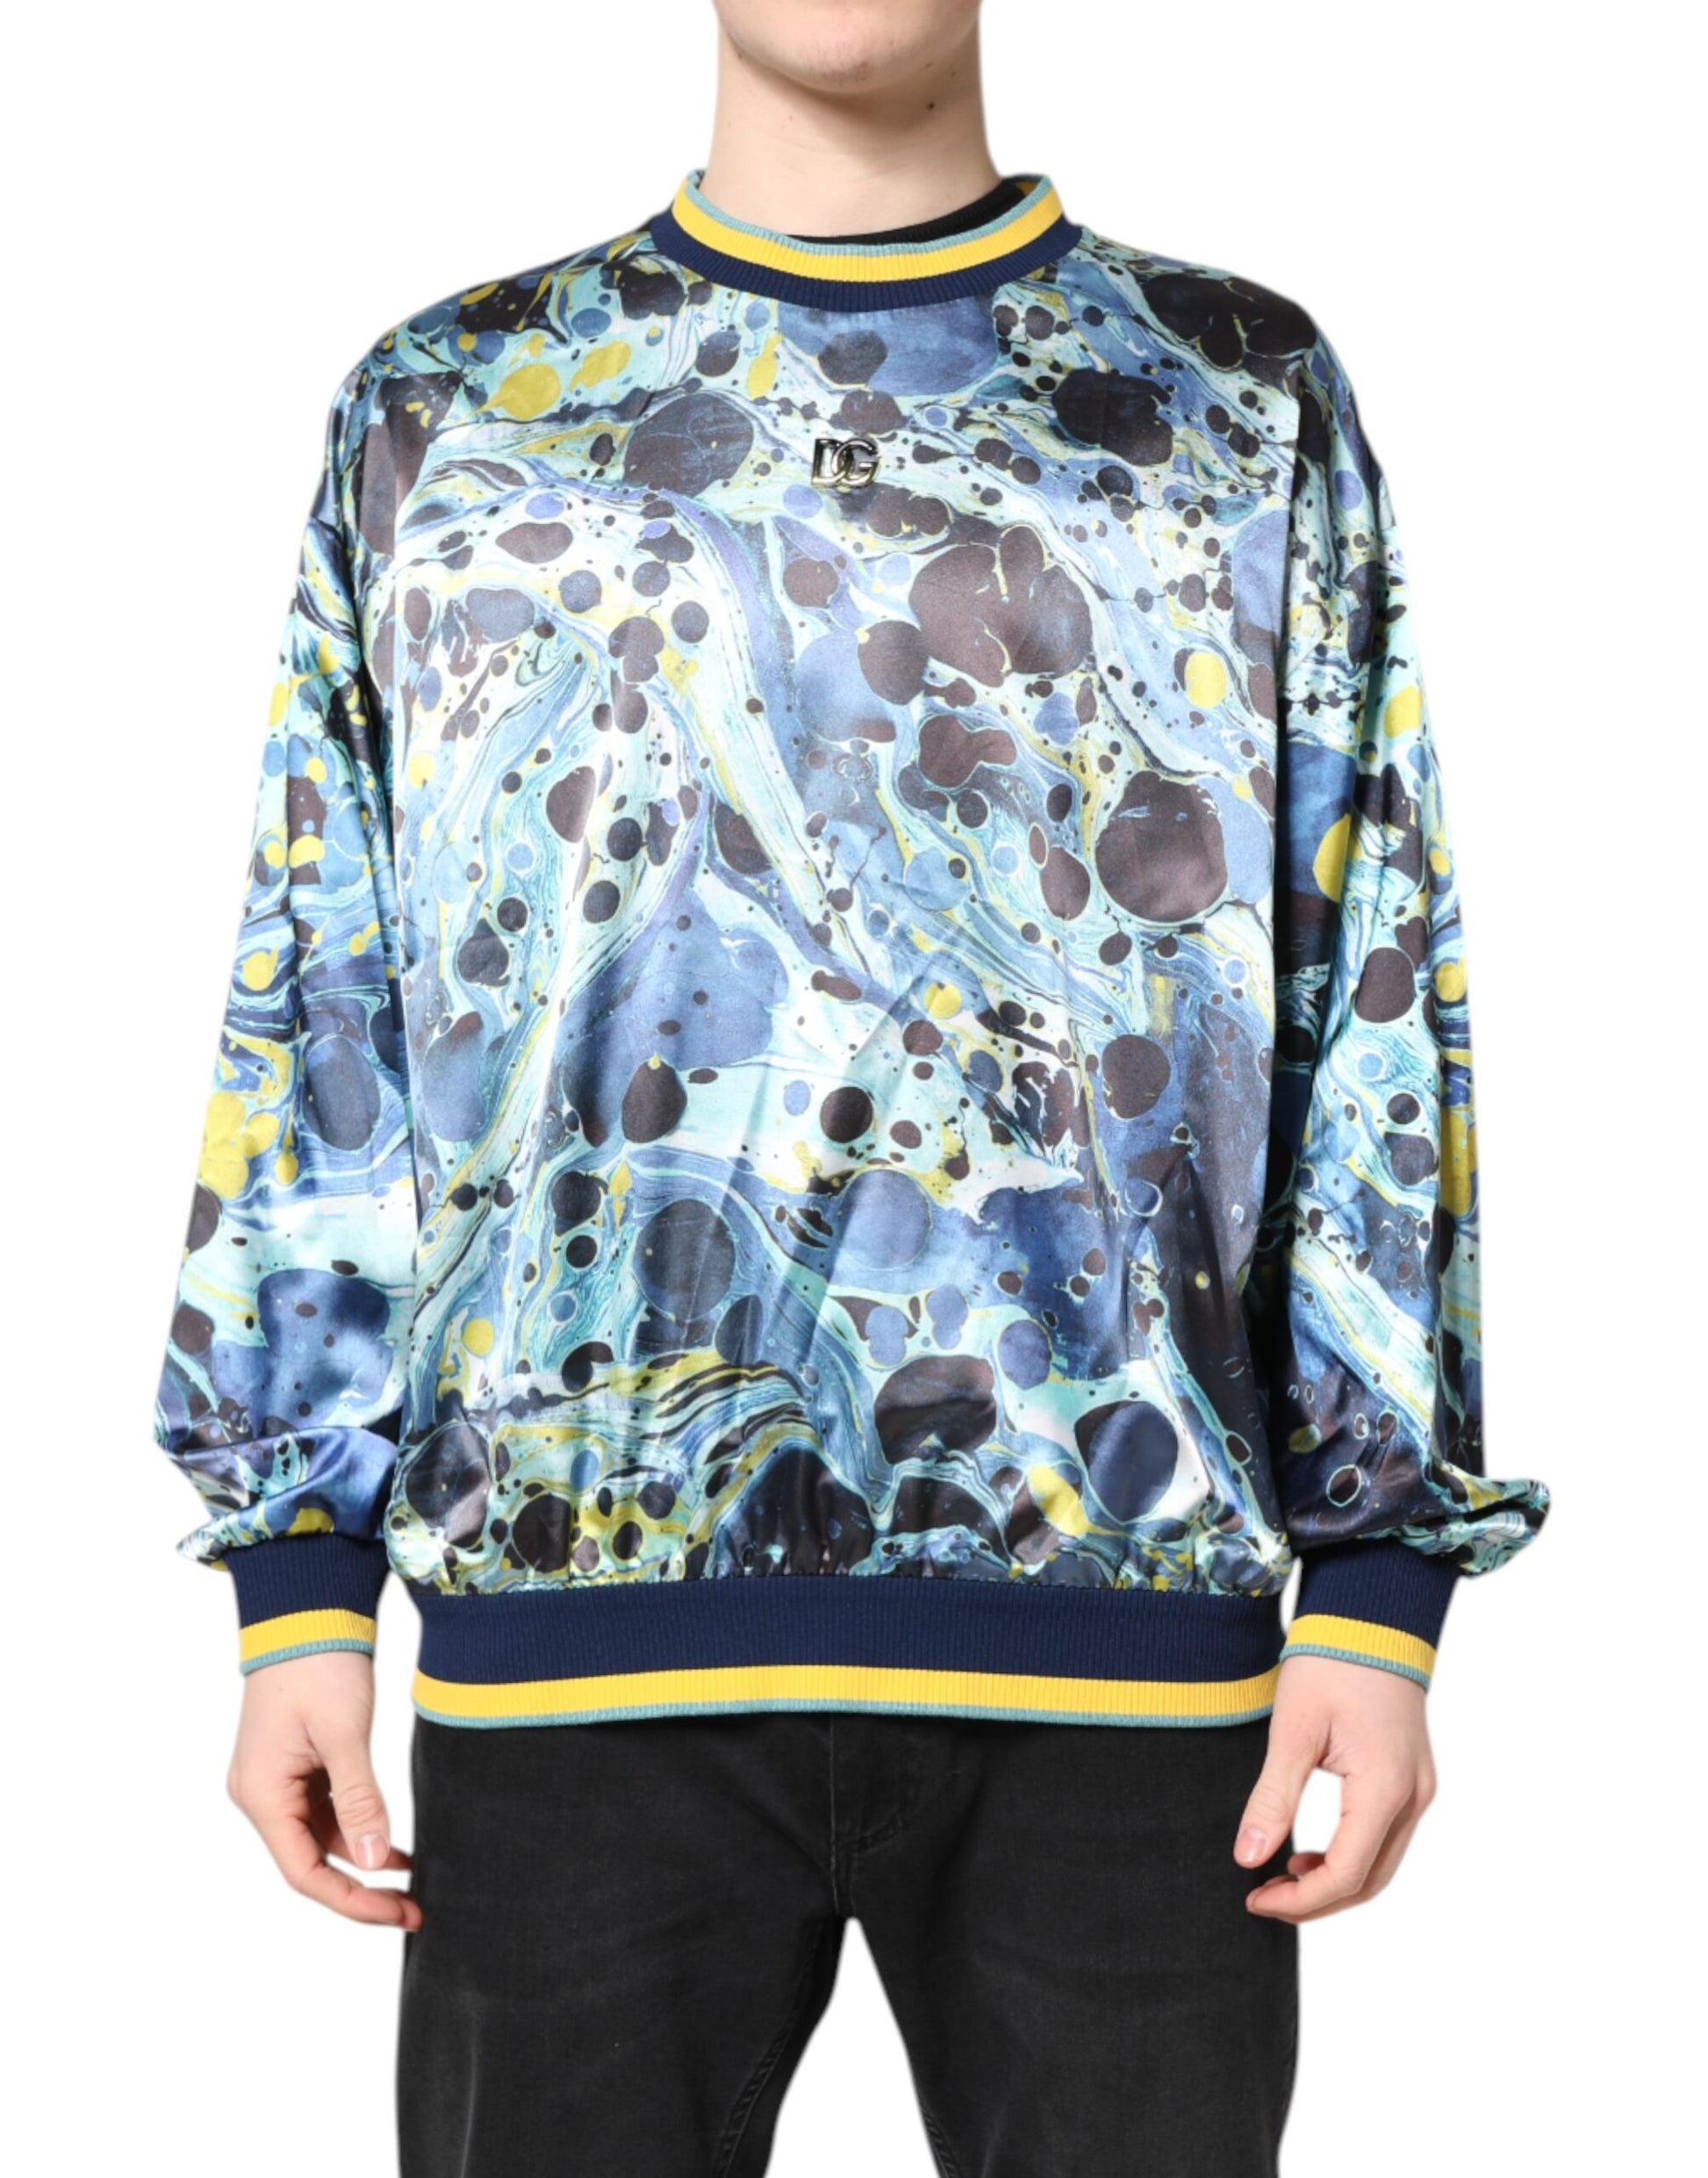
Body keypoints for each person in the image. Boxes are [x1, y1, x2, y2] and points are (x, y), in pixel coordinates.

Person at [149, 3, 1550, 2170]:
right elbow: (317, 980)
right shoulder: (451, 406)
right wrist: (295, 1567)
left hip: (1126, 1637)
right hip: (570, 1619)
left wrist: (1382, 1578)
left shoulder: (1232, 391)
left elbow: (1370, 965)